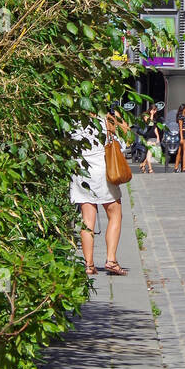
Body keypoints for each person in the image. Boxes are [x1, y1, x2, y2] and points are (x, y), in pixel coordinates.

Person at [69, 110, 129, 277]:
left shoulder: (73, 120)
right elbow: (125, 137)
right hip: (103, 172)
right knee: (115, 213)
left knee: (87, 219)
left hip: (81, 171)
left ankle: (89, 265)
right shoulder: (106, 120)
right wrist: (117, 117)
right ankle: (111, 260)